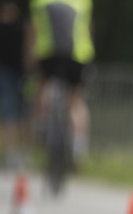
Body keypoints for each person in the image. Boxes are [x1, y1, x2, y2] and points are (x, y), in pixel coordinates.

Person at [29, 0, 94, 161]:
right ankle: (78, 146)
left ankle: (41, 126)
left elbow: (33, 31)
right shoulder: (84, 2)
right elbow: (88, 29)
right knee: (76, 102)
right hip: (78, 55)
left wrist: (30, 60)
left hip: (48, 53)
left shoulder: (39, 2)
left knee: (42, 87)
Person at [0, 0, 31, 171]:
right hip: (12, 75)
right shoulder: (21, 27)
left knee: (16, 115)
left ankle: (17, 154)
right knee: (14, 115)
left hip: (13, 75)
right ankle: (15, 154)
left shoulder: (3, 28)